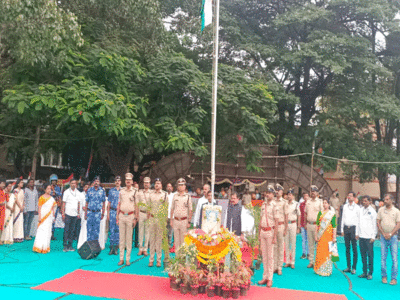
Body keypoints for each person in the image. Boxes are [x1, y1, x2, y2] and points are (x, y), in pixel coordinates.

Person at [377, 194, 400, 285]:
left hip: (393, 237)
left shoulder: (397, 211)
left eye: (387, 199)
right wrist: (383, 233)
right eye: (384, 199)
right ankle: (384, 277)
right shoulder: (380, 210)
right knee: (383, 257)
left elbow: (398, 224)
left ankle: (394, 278)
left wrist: (390, 234)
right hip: (383, 237)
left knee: (394, 258)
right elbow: (378, 222)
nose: (385, 201)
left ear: (391, 200)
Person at [258, 185, 277, 287]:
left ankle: (270, 278)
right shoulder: (263, 205)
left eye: (269, 193)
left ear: (273, 194)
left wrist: (274, 236)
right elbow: (261, 220)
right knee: (264, 256)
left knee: (270, 256)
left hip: (270, 232)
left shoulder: (274, 205)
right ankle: (264, 277)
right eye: (267, 193)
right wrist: (258, 234)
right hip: (263, 231)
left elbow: (277, 222)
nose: (267, 194)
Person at [117, 173, 137, 266]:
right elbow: (119, 204)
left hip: (130, 216)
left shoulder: (135, 191)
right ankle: (121, 258)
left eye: (129, 180)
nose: (128, 181)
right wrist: (117, 216)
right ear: (125, 181)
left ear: (132, 182)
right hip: (121, 215)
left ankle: (128, 259)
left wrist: (135, 218)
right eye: (126, 180)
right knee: (121, 238)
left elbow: (137, 206)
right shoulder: (121, 191)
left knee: (129, 238)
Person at [314, 198, 337, 276]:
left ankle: (327, 270)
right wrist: (315, 235)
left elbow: (334, 226)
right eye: (323, 203)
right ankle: (318, 268)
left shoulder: (332, 214)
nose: (324, 204)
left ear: (329, 204)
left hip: (329, 235)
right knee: (320, 250)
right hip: (321, 235)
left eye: (326, 203)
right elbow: (317, 225)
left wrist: (334, 237)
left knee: (327, 251)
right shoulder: (320, 213)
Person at [148, 178, 168, 267]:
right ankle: (151, 259)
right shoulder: (151, 195)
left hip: (160, 219)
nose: (157, 185)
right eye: (156, 183)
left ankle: (158, 260)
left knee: (159, 240)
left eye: (159, 183)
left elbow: (166, 208)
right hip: (152, 218)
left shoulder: (164, 195)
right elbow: (148, 207)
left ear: (161, 185)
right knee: (151, 240)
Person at [356, 195, 377, 280]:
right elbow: (358, 222)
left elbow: (375, 225)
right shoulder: (360, 210)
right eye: (363, 201)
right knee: (363, 255)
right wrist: (357, 233)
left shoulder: (373, 211)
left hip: (369, 237)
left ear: (369, 202)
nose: (364, 202)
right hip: (361, 236)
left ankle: (370, 273)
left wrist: (373, 236)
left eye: (365, 201)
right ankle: (364, 272)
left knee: (370, 255)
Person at [33, 183, 57, 253]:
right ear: (45, 189)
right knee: (41, 231)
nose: (49, 190)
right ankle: (39, 247)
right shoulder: (41, 198)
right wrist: (39, 217)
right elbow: (39, 208)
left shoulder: (52, 199)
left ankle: (45, 247)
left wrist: (53, 216)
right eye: (48, 189)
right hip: (42, 217)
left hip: (49, 217)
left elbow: (53, 208)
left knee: (48, 231)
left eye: (50, 189)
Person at [170, 178, 192, 251]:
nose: (181, 186)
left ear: (185, 186)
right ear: (177, 186)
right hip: (176, 220)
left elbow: (190, 210)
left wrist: (189, 222)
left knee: (183, 241)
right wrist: (171, 220)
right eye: (179, 185)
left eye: (182, 185)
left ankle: (182, 260)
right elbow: (172, 209)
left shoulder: (188, 196)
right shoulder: (175, 196)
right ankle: (177, 260)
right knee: (176, 241)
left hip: (184, 221)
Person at [341, 191, 360, 274]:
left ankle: (354, 268)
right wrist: (342, 229)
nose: (349, 197)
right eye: (348, 196)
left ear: (354, 198)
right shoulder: (345, 206)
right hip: (346, 228)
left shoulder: (357, 208)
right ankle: (348, 266)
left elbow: (359, 220)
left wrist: (357, 232)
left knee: (354, 248)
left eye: (351, 196)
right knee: (347, 248)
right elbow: (343, 218)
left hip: (353, 229)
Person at [305, 185, 322, 268]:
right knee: (310, 244)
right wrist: (305, 223)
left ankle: (318, 261)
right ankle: (311, 261)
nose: (313, 193)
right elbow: (305, 213)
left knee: (318, 243)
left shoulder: (320, 202)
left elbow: (322, 215)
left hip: (317, 225)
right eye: (312, 191)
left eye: (314, 191)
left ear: (317, 193)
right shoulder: (308, 201)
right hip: (309, 224)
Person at [62, 179, 81, 252]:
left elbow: (79, 203)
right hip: (67, 213)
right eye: (72, 183)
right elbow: (64, 203)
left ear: (76, 184)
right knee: (66, 230)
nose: (73, 184)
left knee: (72, 231)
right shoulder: (66, 192)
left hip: (75, 214)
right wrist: (63, 213)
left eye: (74, 183)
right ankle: (65, 246)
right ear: (70, 184)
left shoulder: (78, 193)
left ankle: (70, 245)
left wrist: (78, 213)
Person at [85, 176, 106, 242]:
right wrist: (85, 213)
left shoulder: (102, 191)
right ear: (93, 182)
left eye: (97, 181)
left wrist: (103, 212)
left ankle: (95, 246)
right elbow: (86, 202)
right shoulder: (89, 190)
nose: (96, 182)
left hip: (97, 213)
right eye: (95, 181)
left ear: (99, 182)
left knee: (96, 230)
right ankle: (89, 245)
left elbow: (104, 202)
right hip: (90, 212)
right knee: (89, 230)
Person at [273, 183, 287, 275]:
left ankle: (279, 267)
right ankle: (274, 266)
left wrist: (286, 228)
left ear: (282, 192)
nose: (277, 192)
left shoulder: (284, 202)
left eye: (279, 190)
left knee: (281, 247)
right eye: (276, 190)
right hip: (273, 226)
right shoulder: (273, 201)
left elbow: (286, 216)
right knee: (274, 247)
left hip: (281, 226)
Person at [284, 188, 300, 269]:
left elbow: (299, 215)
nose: (289, 196)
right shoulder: (285, 203)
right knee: (286, 243)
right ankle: (287, 261)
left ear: (293, 196)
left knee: (293, 244)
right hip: (286, 224)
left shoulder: (296, 204)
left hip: (293, 224)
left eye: (290, 195)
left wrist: (298, 227)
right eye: (288, 195)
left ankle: (292, 262)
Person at [137, 177, 151, 256]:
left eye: (148, 183)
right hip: (141, 213)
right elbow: (137, 203)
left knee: (147, 232)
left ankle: (145, 249)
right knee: (140, 232)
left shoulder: (152, 193)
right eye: (145, 183)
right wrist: (137, 214)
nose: (146, 184)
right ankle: (140, 249)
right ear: (143, 184)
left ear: (149, 184)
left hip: (148, 214)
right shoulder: (140, 192)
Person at [107, 176, 122, 255]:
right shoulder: (111, 191)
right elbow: (109, 203)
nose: (117, 182)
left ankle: (116, 247)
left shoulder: (123, 191)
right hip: (112, 211)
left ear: (120, 182)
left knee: (118, 230)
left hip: (120, 213)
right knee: (112, 230)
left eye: (119, 181)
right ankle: (111, 247)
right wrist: (108, 213)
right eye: (116, 181)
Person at [49, 174, 62, 240]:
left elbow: (60, 194)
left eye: (55, 181)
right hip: (49, 205)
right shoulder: (49, 187)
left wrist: (55, 192)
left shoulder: (58, 187)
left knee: (54, 219)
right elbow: (48, 193)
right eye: (52, 181)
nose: (54, 182)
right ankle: (48, 233)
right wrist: (52, 192)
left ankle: (52, 233)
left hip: (56, 205)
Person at [77, 183, 89, 249]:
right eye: (85, 187)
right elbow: (79, 204)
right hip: (83, 213)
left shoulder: (90, 194)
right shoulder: (81, 194)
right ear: (83, 188)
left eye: (88, 187)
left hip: (90, 213)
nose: (87, 188)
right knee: (82, 227)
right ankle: (81, 243)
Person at [299, 192, 309, 259]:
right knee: (303, 239)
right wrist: (299, 224)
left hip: (309, 224)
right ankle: (303, 253)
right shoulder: (301, 205)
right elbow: (299, 215)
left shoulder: (310, 204)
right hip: (302, 224)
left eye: (306, 196)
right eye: (304, 196)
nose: (305, 197)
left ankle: (308, 253)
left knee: (309, 239)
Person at [166, 183, 175, 247]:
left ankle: (169, 244)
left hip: (172, 216)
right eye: (168, 186)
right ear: (166, 188)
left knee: (170, 232)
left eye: (170, 186)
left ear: (172, 188)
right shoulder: (164, 195)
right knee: (165, 231)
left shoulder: (174, 195)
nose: (169, 188)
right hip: (165, 216)